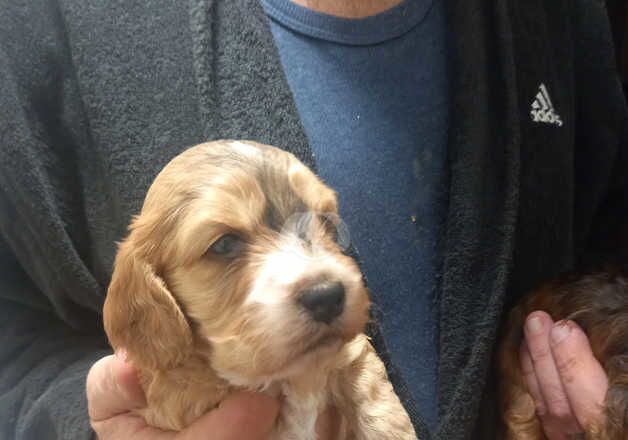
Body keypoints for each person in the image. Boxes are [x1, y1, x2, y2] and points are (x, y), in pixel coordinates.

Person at [0, 0, 625, 439]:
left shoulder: (559, 15)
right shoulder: (35, 27)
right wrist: (81, 425)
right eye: (223, 245)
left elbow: (610, 244)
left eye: (326, 223)